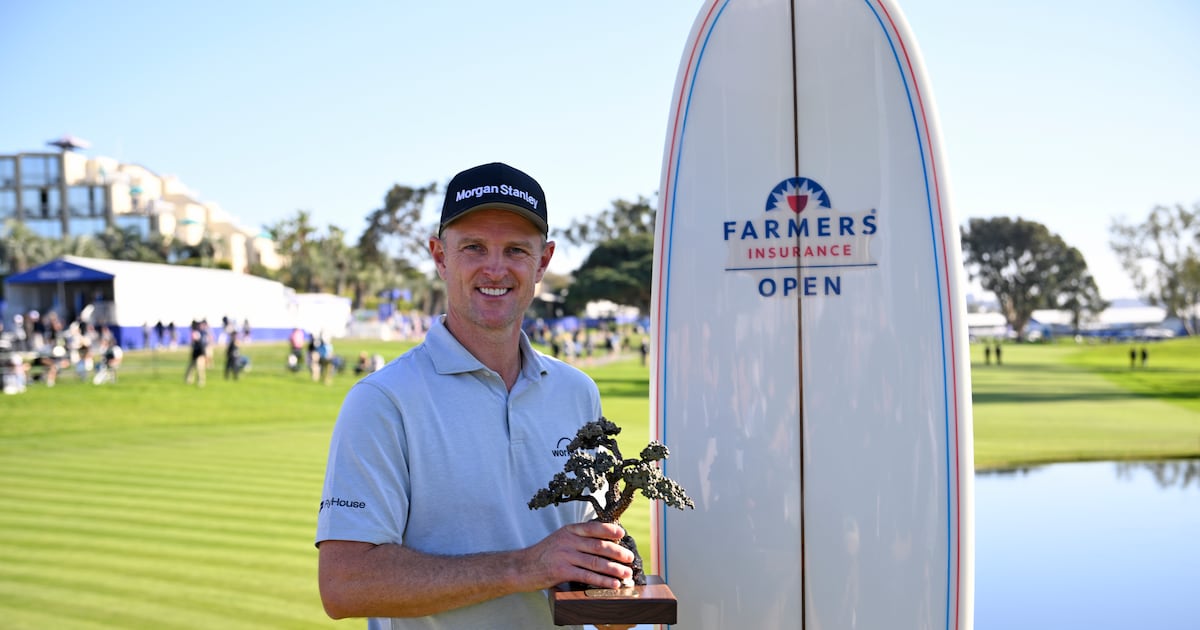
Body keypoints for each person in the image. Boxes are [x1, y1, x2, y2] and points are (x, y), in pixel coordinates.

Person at [315, 163, 634, 628]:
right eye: (474, 247)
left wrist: (612, 592)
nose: (495, 268)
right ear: (440, 257)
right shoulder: (383, 400)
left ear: (543, 262)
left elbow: (588, 545)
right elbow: (345, 584)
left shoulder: (577, 391)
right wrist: (525, 566)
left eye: (516, 250)